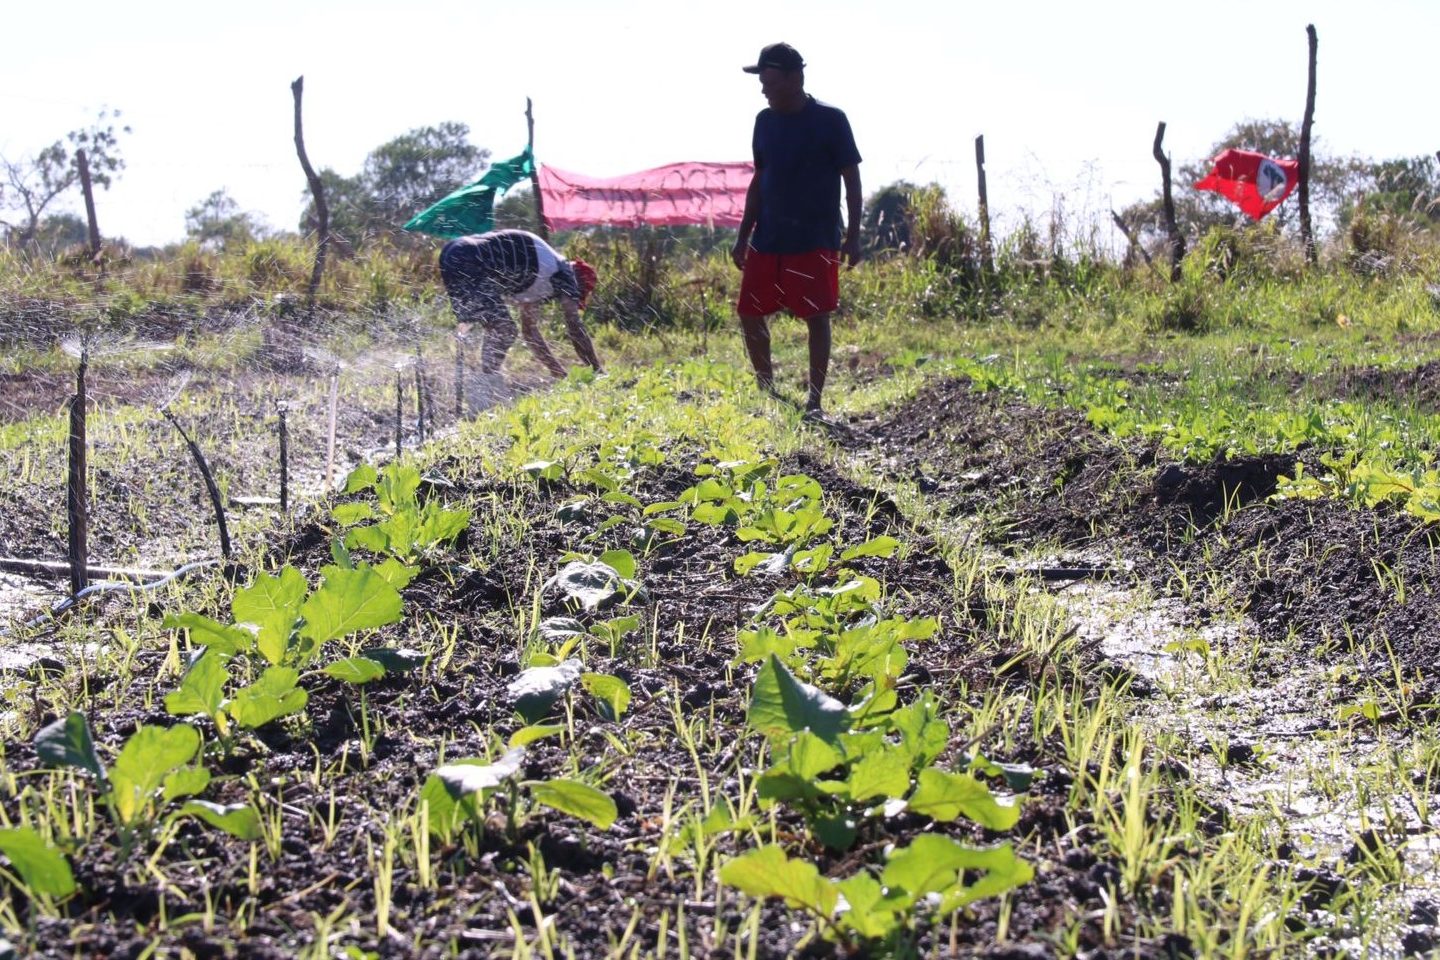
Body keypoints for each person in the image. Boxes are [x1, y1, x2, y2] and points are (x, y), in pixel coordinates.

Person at [732, 42, 862, 419]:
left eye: (770, 82)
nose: (764, 89)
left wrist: (853, 235)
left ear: (795, 79)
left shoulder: (831, 120)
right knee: (750, 313)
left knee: (816, 316)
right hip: (768, 236)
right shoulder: (764, 122)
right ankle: (767, 390)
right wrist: (743, 234)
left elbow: (852, 180)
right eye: (761, 82)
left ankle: (814, 401)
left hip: (814, 237)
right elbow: (760, 179)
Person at [438, 229, 603, 395]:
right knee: (504, 329)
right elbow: (574, 325)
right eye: (576, 295)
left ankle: (485, 388)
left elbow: (530, 332)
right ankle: (486, 388)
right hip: (472, 257)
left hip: (452, 252)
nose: (571, 298)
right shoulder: (565, 272)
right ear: (578, 284)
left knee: (498, 328)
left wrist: (558, 373)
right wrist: (596, 369)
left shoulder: (541, 272)